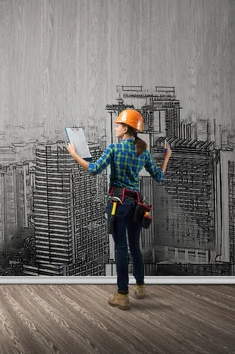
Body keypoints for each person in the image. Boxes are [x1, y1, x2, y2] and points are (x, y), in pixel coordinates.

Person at [66, 109, 172, 310]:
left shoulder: (114, 149)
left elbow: (94, 169)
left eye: (117, 125)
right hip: (136, 205)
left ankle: (122, 294)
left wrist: (74, 154)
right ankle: (140, 287)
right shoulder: (143, 152)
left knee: (121, 248)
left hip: (118, 203)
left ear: (125, 128)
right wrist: (167, 157)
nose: (115, 128)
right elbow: (159, 176)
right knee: (135, 247)